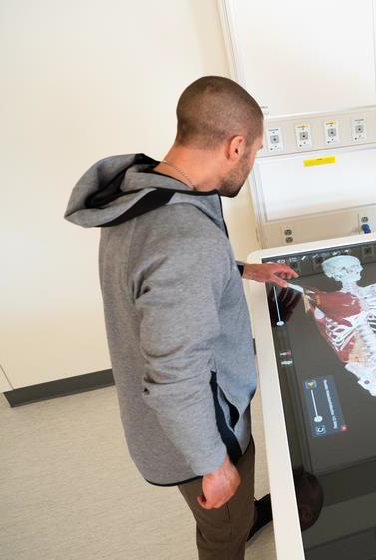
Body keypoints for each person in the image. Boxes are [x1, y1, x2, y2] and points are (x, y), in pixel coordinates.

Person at [64, 76, 298, 559]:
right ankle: (236, 525)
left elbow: (156, 274)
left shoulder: (145, 189)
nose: (251, 163)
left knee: (232, 513)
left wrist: (239, 270)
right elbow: (176, 379)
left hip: (161, 418)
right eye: (254, 152)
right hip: (198, 432)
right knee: (221, 534)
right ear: (236, 146)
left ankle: (244, 515)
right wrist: (213, 463)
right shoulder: (187, 243)